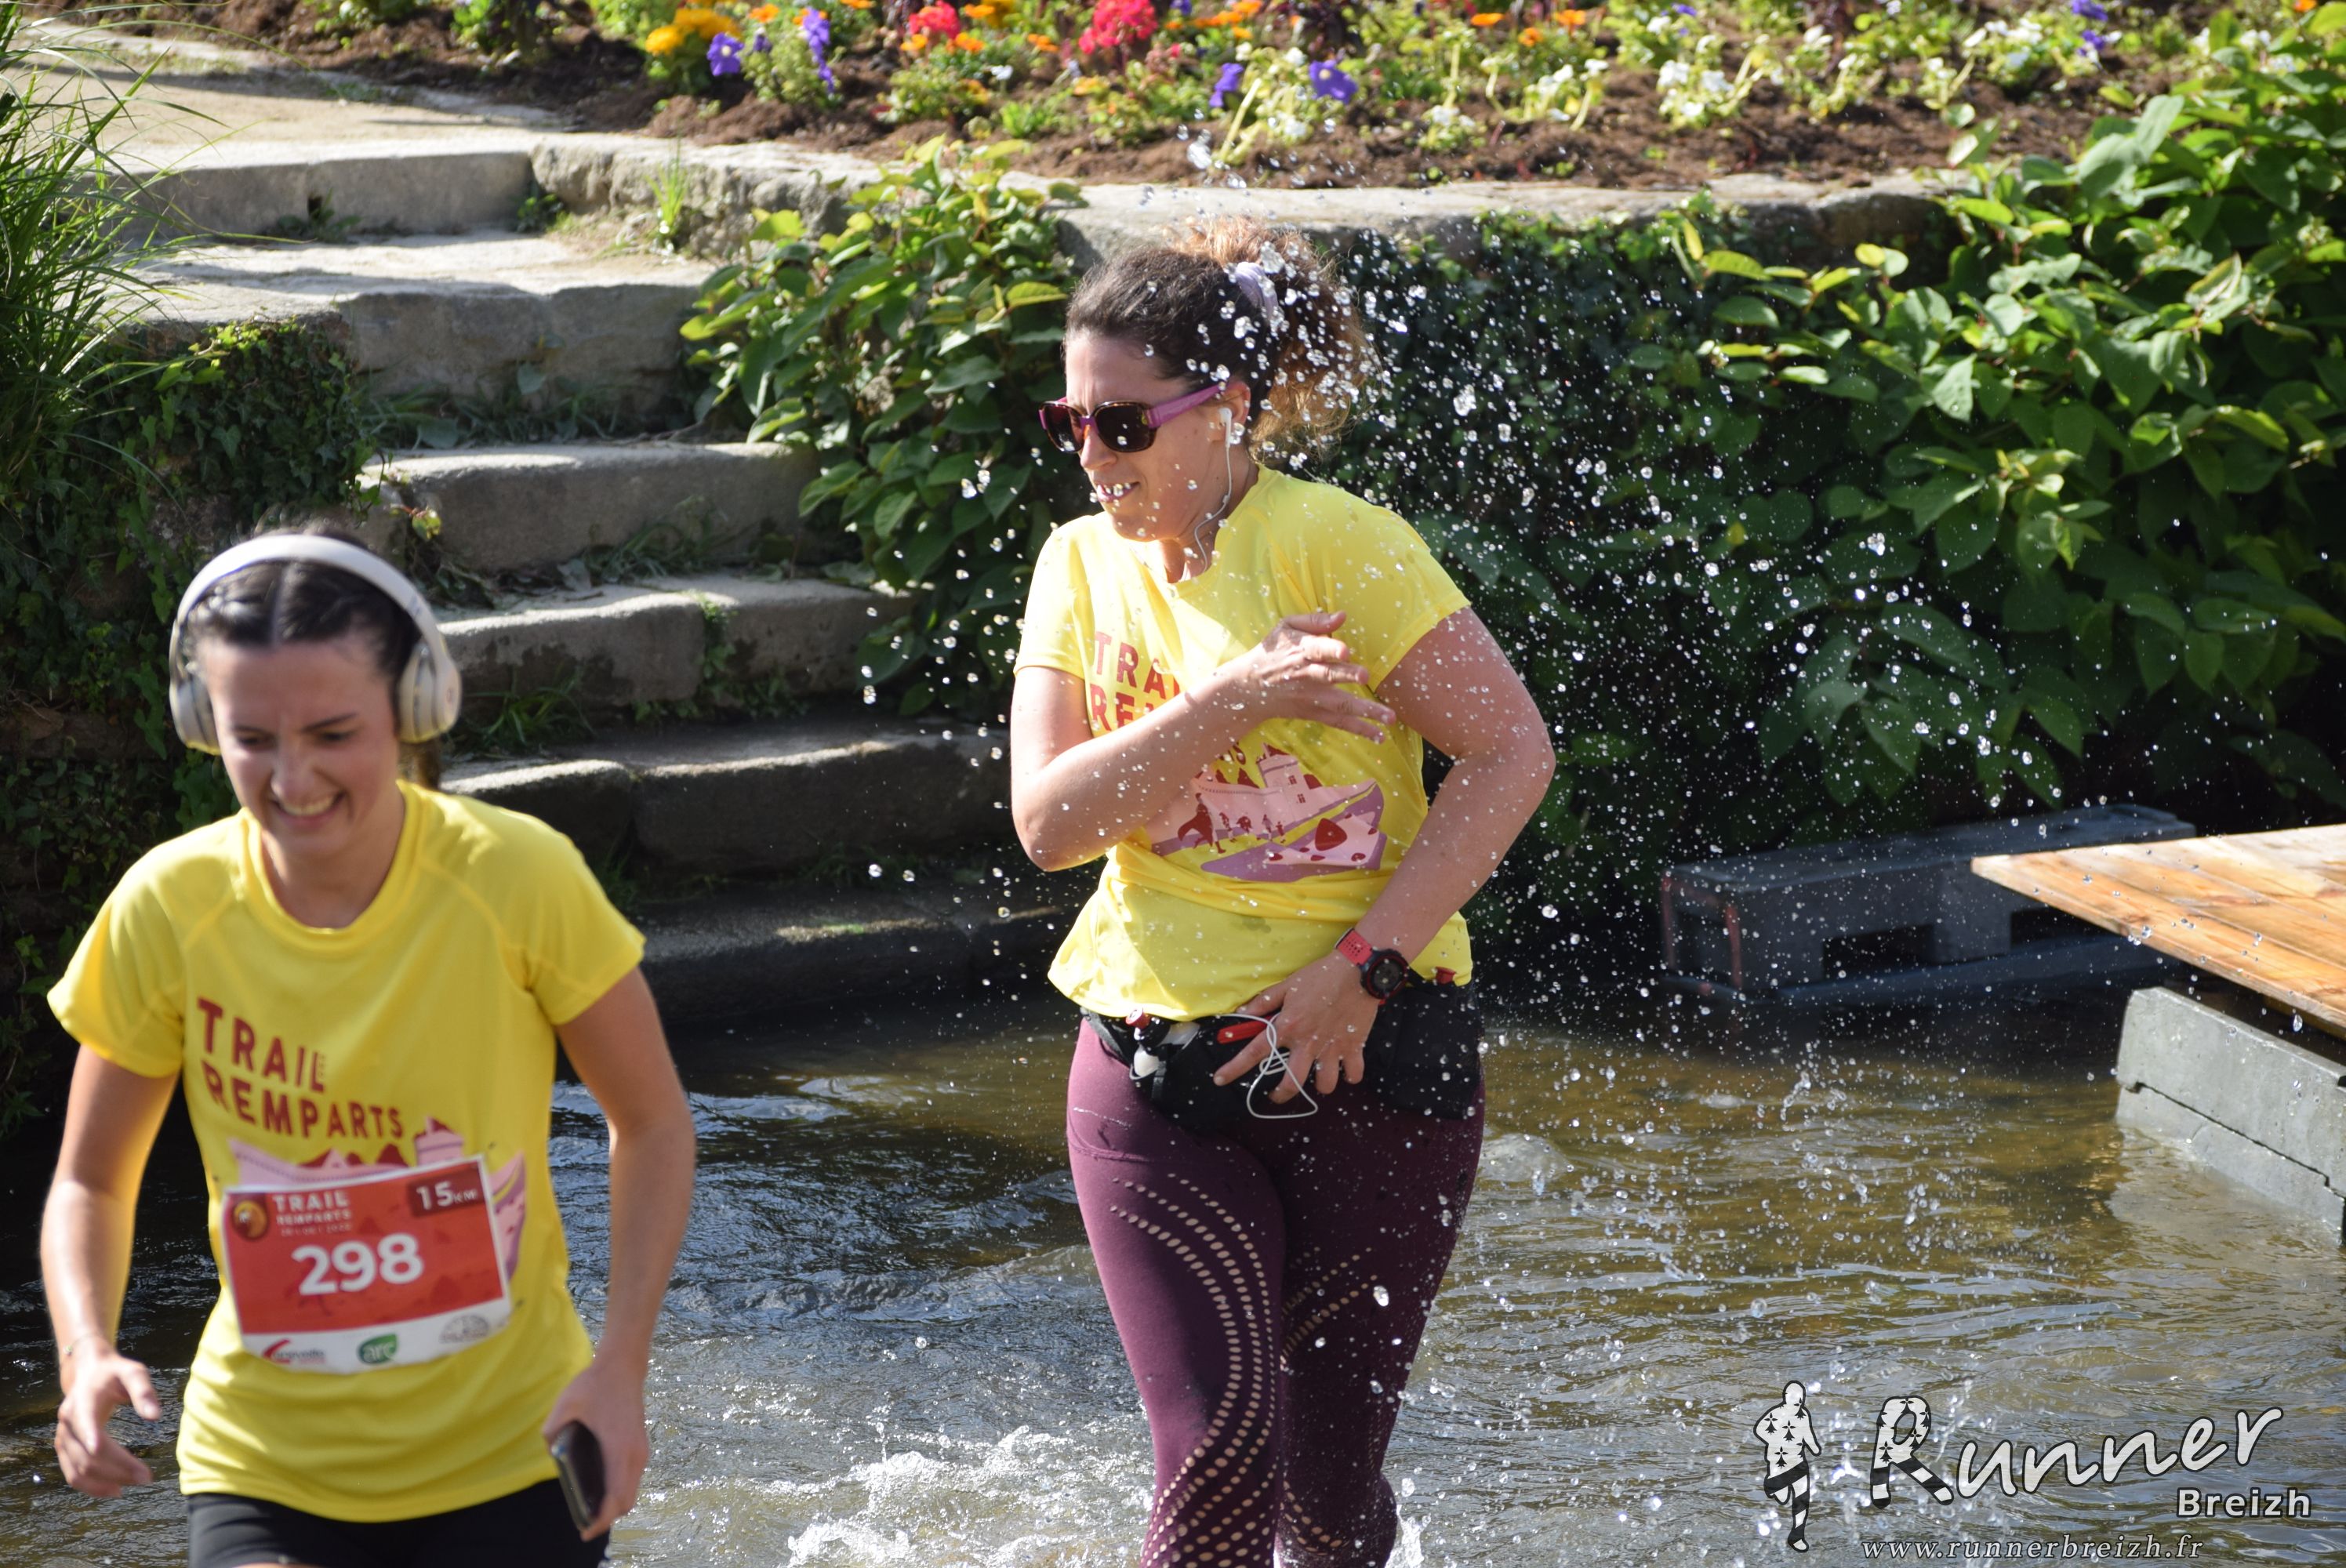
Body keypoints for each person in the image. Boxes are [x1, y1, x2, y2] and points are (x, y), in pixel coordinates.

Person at [1009, 218, 1556, 1567]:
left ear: (1227, 409)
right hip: (1154, 1065)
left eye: (1121, 425)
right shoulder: (1076, 565)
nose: (1091, 456)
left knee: (1325, 1497)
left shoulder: (1340, 547)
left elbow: (1511, 753)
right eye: (1070, 420)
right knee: (1213, 1468)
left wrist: (1363, 970)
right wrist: (1225, 702)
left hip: (1374, 1060)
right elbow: (1049, 827)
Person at [40, 532, 696, 1568]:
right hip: (265, 1466)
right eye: (252, 739)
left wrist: (621, 1368)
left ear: (412, 707)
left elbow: (652, 1124)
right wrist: (85, 1353)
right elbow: (90, 1181)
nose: (292, 778)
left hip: (516, 1454)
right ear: (205, 725)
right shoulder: (166, 909)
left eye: (333, 733)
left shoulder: (520, 880)